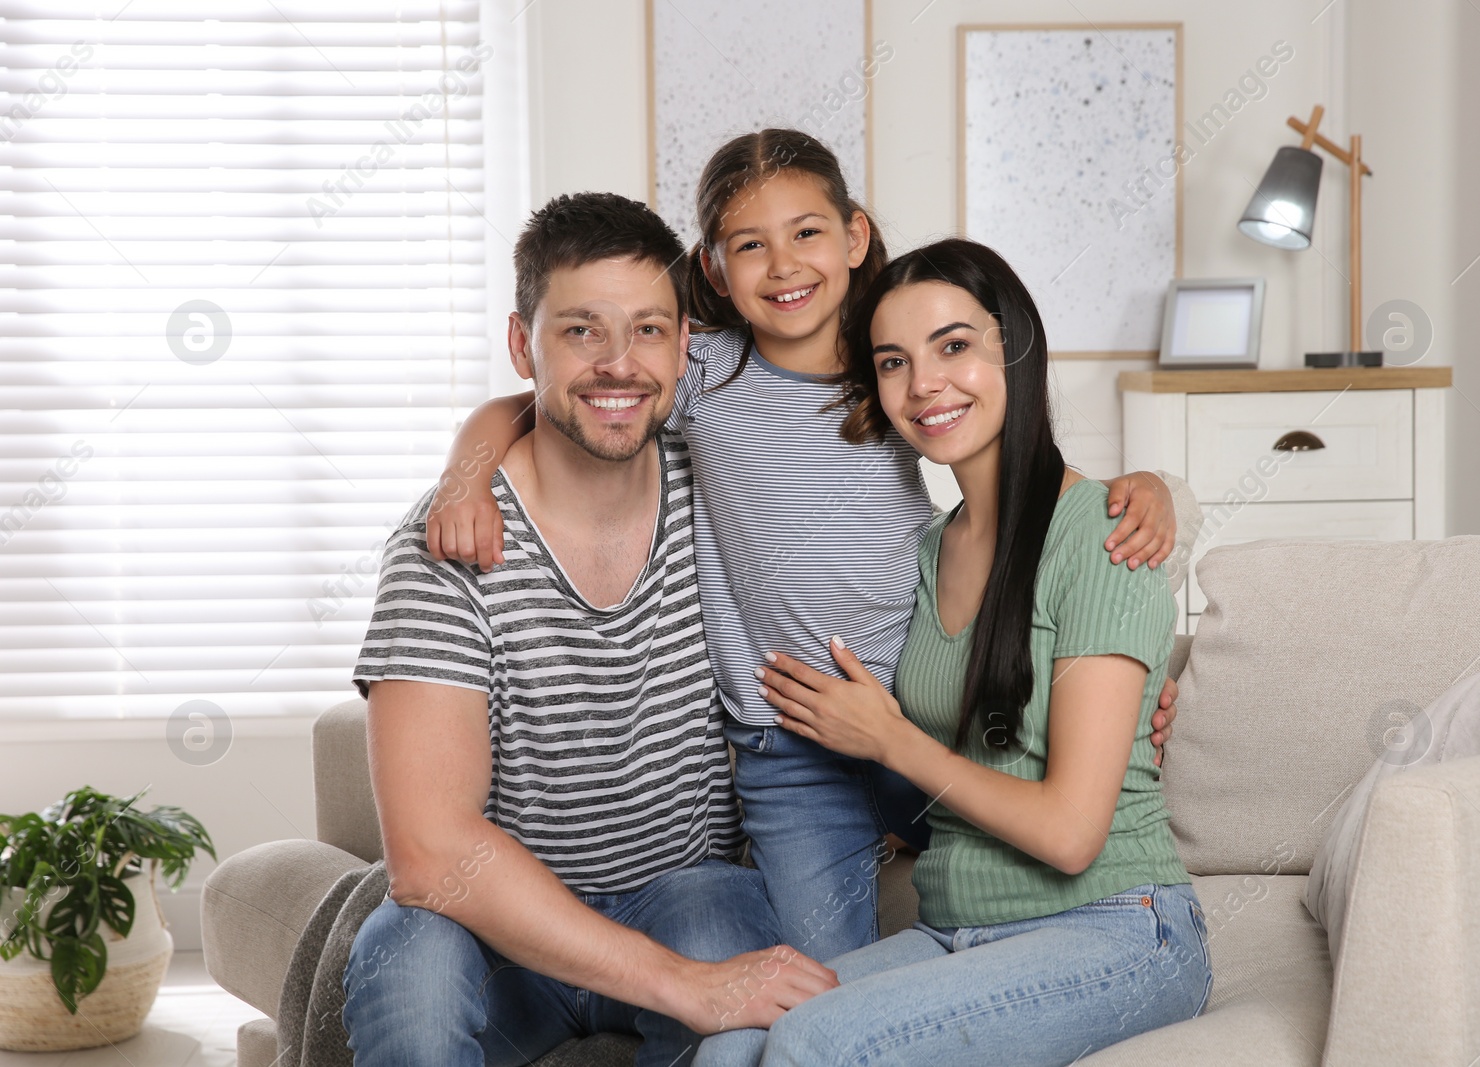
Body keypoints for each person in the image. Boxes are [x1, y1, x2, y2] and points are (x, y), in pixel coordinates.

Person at [425, 128, 1183, 964]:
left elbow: (1028, 474)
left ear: (855, 237)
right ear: (713, 270)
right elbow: (530, 404)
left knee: (1008, 860)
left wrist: (1148, 485)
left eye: (807, 233)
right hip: (787, 749)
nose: (783, 265)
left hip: (919, 702)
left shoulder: (892, 363)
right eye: (751, 245)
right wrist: (465, 477)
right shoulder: (698, 370)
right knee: (818, 973)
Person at [341, 192, 836, 1067]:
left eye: (647, 330)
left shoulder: (724, 483)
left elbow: (920, 509)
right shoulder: (448, 542)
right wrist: (679, 985)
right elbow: (428, 851)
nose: (619, 364)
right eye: (581, 331)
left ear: (685, 345)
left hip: (686, 892)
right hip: (492, 928)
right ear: (521, 345)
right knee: (406, 965)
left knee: (739, 951)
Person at [718, 238, 1211, 1066]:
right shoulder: (927, 550)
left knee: (814, 1042)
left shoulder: (1101, 534)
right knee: (733, 1039)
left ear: (1015, 345)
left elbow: (1069, 835)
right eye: (893, 361)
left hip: (1118, 925)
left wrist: (890, 740)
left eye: (953, 346)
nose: (924, 386)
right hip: (957, 930)